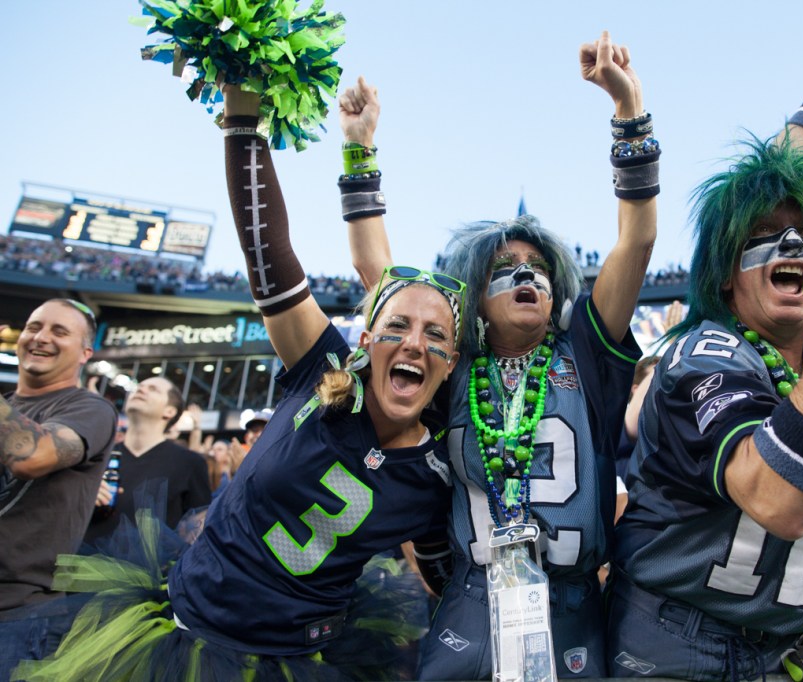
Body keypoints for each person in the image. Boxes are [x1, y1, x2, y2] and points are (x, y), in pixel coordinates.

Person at [12, 83, 465, 681]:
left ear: (452, 363)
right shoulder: (322, 372)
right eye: (398, 326)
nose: (414, 343)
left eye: (435, 335)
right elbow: (267, 254)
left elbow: (447, 577)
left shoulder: (439, 473)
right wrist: (243, 118)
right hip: (181, 637)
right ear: (365, 341)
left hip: (302, 658)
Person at [341, 30, 655, 679]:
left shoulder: (587, 356)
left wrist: (628, 110)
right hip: (472, 595)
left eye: (539, 268)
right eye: (506, 268)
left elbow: (638, 242)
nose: (526, 277)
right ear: (474, 301)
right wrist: (358, 150)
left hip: (571, 602)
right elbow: (379, 278)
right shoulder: (451, 367)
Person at [607, 55, 803, 680]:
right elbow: (776, 498)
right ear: (726, 273)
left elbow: (778, 182)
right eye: (766, 239)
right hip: (682, 642)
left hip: (790, 645)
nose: (792, 246)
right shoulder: (707, 354)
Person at [0, 298, 118, 675]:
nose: (41, 337)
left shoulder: (91, 409)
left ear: (86, 352)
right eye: (34, 327)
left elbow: (31, 456)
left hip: (18, 616)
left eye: (59, 331)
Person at [84, 376, 212, 543]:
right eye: (139, 387)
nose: (141, 389)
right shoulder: (97, 456)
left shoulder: (191, 463)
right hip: (81, 560)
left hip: (152, 568)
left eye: (153, 389)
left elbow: (197, 530)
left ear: (170, 411)